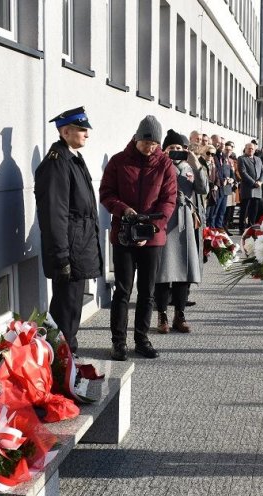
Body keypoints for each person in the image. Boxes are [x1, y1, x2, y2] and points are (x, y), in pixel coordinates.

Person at [100, 115, 177, 361]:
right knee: (122, 290)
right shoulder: (118, 161)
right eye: (147, 143)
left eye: (155, 144)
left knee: (147, 291)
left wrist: (151, 228)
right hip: (123, 234)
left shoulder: (165, 165)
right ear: (136, 138)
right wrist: (124, 210)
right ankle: (118, 342)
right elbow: (106, 194)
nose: (150, 148)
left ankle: (141, 339)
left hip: (152, 238)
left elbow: (169, 200)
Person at [34, 107, 102, 354]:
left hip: (79, 246)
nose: (87, 134)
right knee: (65, 314)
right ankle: (61, 366)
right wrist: (61, 256)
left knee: (72, 311)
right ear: (65, 131)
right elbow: (55, 214)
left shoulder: (72, 157)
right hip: (70, 251)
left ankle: (66, 362)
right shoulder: (57, 163)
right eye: (82, 129)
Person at [154, 131, 208, 334]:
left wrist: (197, 164)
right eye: (171, 149)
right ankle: (162, 315)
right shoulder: (159, 164)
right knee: (162, 271)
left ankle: (180, 313)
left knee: (184, 271)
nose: (175, 152)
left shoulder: (190, 167)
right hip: (165, 219)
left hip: (185, 219)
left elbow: (203, 190)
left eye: (179, 148)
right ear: (164, 150)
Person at [238, 142, 263, 230]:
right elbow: (243, 172)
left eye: (252, 149)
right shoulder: (242, 158)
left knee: (254, 209)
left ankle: (251, 226)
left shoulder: (258, 159)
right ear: (245, 149)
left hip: (258, 188)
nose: (250, 150)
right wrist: (254, 182)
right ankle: (242, 228)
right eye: (249, 148)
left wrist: (260, 181)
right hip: (247, 188)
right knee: (245, 209)